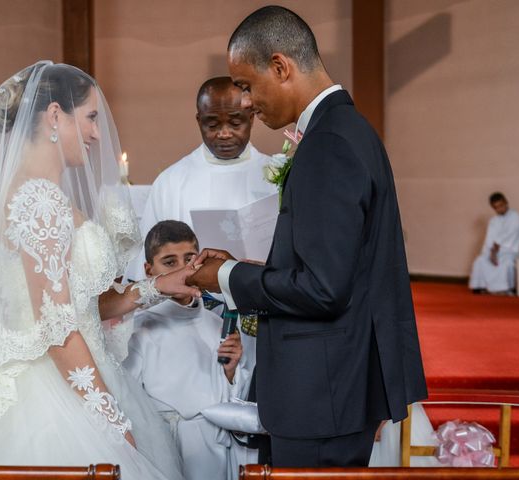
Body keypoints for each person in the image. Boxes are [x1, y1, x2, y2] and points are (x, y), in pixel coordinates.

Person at [0, 62, 199, 479]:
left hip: (76, 371)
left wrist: (157, 286)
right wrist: (110, 418)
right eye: (90, 118)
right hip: (51, 394)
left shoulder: (41, 193)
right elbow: (58, 325)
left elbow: (83, 306)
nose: (96, 134)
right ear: (54, 115)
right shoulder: (39, 201)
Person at [188, 6, 428, 468]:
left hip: (322, 395)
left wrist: (228, 276)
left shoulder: (329, 144)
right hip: (336, 386)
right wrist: (248, 268)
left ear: (280, 67)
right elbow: (336, 270)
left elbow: (322, 290)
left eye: (245, 85)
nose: (245, 102)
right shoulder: (347, 130)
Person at [123, 220, 251, 480]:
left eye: (190, 258)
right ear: (149, 270)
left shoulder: (218, 324)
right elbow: (130, 399)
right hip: (171, 448)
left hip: (217, 448)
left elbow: (232, 401)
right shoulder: (140, 328)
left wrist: (231, 371)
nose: (183, 270)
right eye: (170, 262)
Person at [125, 76, 276, 282]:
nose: (224, 133)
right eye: (212, 124)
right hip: (190, 308)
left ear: (251, 118)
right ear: (199, 120)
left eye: (235, 122)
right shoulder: (171, 182)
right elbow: (148, 262)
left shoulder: (275, 175)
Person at [469, 192, 519, 295]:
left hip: (510, 250)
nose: (500, 209)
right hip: (493, 250)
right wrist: (488, 252)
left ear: (506, 202)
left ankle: (505, 289)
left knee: (505, 264)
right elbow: (489, 239)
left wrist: (495, 250)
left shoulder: (516, 217)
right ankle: (480, 286)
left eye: (501, 205)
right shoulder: (493, 220)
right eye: (496, 207)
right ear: (493, 208)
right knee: (480, 260)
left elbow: (510, 235)